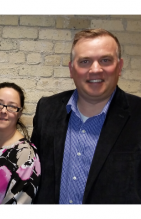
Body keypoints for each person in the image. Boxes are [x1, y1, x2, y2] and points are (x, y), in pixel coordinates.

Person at [31, 28, 141, 204]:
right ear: (71, 69)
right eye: (85, 61)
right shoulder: (47, 110)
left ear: (119, 67)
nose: (95, 69)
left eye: (105, 60)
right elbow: (34, 175)